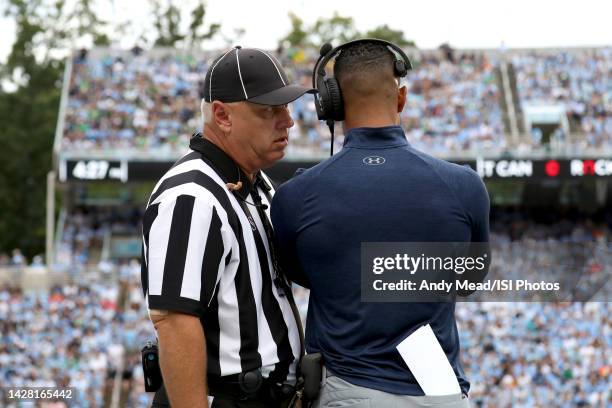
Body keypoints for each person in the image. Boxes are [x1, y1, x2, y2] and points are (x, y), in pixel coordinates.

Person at [271, 40, 490, 408]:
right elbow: (469, 280)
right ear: (401, 98)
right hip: (440, 393)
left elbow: (302, 273)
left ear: (332, 104)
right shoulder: (463, 186)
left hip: (348, 393)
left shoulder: (296, 196)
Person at [141, 46, 314, 408]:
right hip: (229, 398)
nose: (288, 120)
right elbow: (175, 320)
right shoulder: (191, 194)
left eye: (286, 106)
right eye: (269, 110)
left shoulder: (253, 182)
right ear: (222, 115)